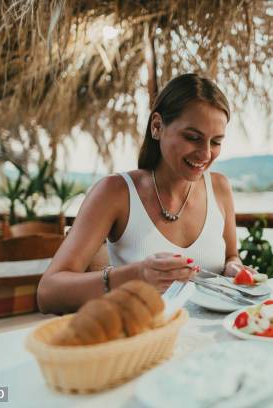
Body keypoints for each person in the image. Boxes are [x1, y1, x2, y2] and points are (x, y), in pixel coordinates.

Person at [37, 73, 255, 314]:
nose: (205, 154)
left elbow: (230, 258)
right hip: (142, 343)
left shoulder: (220, 188)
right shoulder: (115, 192)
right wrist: (136, 275)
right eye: (192, 137)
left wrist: (235, 268)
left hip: (214, 342)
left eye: (216, 142)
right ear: (157, 126)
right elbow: (48, 293)